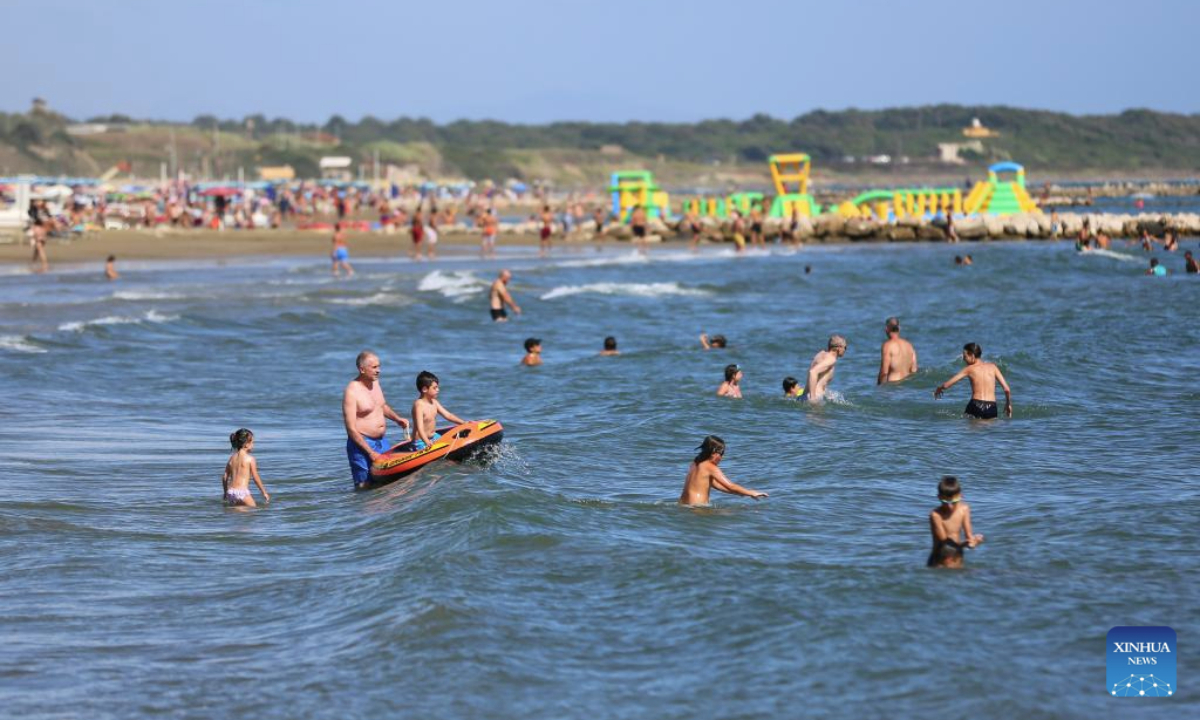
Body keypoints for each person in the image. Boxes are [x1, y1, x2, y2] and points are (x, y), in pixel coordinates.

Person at [342, 351, 411, 488]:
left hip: (381, 442)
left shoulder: (375, 383)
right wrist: (370, 452)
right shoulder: (351, 392)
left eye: (379, 367)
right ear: (362, 369)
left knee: (390, 479)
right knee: (365, 485)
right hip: (362, 445)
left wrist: (397, 419)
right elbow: (350, 429)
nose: (378, 371)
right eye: (374, 367)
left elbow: (381, 406)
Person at [679, 435, 767, 506]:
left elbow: (716, 485)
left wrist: (743, 493)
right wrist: (751, 492)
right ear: (714, 452)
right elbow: (731, 486)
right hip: (698, 507)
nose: (722, 457)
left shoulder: (695, 463)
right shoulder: (710, 467)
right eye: (721, 453)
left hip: (683, 505)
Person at [934, 342, 1013, 419]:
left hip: (976, 405)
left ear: (972, 355)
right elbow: (1007, 390)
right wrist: (1008, 404)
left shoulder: (969, 369)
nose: (964, 359)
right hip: (992, 407)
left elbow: (946, 385)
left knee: (970, 430)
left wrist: (939, 389)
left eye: (965, 356)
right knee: (989, 431)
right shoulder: (993, 367)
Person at [927, 476, 983, 569]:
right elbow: (945, 543)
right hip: (940, 560)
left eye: (954, 502)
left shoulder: (964, 509)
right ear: (939, 497)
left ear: (960, 496)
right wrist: (965, 544)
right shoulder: (936, 515)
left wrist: (974, 542)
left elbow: (969, 537)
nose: (950, 506)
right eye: (945, 501)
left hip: (957, 556)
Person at [411, 370, 465, 451]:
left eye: (437, 387)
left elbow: (448, 415)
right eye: (435, 388)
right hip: (421, 441)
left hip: (434, 436)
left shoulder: (434, 402)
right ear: (425, 389)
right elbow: (420, 428)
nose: (438, 390)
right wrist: (427, 442)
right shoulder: (419, 405)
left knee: (452, 444)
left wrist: (464, 423)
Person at [222, 428, 270, 507]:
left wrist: (225, 492)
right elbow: (256, 477)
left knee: (240, 513)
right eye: (252, 442)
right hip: (242, 493)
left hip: (231, 493)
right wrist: (264, 492)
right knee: (255, 511)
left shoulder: (232, 458)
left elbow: (225, 477)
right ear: (246, 444)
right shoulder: (250, 459)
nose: (253, 445)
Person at [805, 335, 847, 404]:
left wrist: (827, 393)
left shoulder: (820, 354)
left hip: (804, 396)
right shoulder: (831, 359)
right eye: (845, 347)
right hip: (814, 397)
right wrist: (813, 398)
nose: (845, 350)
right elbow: (813, 372)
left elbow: (820, 380)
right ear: (839, 348)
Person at [878, 317, 918, 384]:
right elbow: (914, 370)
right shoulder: (909, 346)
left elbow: (884, 372)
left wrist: (879, 389)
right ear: (899, 329)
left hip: (893, 389)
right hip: (907, 389)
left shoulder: (887, 346)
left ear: (886, 329)